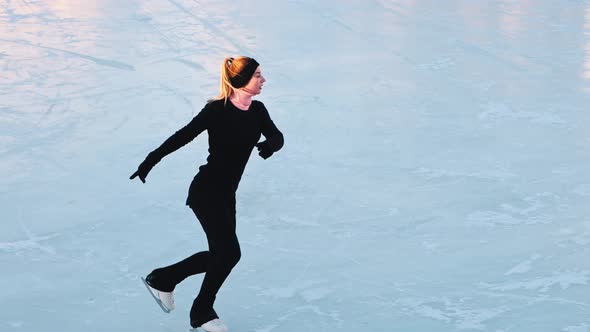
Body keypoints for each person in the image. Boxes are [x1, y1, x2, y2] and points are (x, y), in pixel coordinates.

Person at [130, 56, 284, 332]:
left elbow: (277, 136)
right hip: (206, 191)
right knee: (228, 253)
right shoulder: (217, 110)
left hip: (227, 194)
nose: (263, 80)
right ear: (240, 80)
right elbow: (184, 135)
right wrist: (150, 160)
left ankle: (164, 279)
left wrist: (270, 145)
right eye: (257, 75)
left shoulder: (258, 111)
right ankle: (200, 310)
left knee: (224, 254)